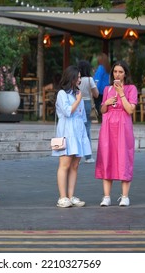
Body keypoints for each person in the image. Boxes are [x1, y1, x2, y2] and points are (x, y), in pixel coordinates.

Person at [95, 60, 138, 207]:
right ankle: (106, 196)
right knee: (107, 158)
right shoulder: (107, 89)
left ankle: (125, 196)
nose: (117, 74)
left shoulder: (131, 88)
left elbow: (130, 110)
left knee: (124, 158)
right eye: (115, 71)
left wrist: (121, 93)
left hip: (123, 127)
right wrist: (105, 103)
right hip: (108, 128)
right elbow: (102, 111)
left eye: (120, 71)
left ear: (125, 73)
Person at [52, 65, 90, 208]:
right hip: (67, 132)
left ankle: (71, 195)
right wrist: (78, 100)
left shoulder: (77, 94)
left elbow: (82, 117)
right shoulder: (62, 94)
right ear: (72, 78)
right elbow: (68, 112)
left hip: (78, 132)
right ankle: (62, 197)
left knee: (75, 165)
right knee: (65, 164)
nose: (80, 80)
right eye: (78, 77)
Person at [78, 60, 99, 164]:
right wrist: (95, 85)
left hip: (76, 104)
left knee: (77, 128)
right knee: (87, 129)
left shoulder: (76, 79)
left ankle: (76, 154)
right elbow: (96, 94)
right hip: (87, 104)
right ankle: (88, 156)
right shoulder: (89, 79)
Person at [93, 53, 111, 122]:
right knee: (105, 104)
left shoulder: (100, 68)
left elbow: (97, 80)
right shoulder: (108, 68)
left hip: (99, 90)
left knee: (98, 104)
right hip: (107, 90)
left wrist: (94, 90)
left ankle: (99, 118)